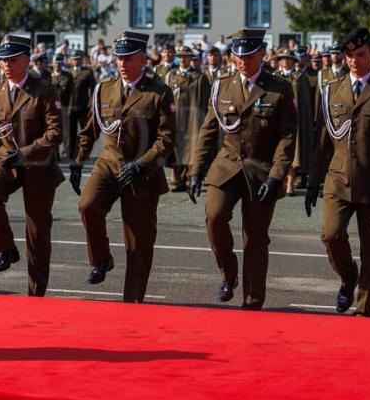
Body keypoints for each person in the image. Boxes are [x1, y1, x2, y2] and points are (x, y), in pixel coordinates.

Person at [189, 29, 297, 310]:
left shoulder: (279, 88)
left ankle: (253, 300)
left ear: (262, 54)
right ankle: (229, 274)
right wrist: (196, 170)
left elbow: (287, 137)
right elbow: (209, 131)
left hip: (261, 170)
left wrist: (277, 176)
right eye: (238, 56)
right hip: (227, 165)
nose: (242, 61)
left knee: (256, 237)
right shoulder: (221, 85)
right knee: (214, 217)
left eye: (248, 56)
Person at [305, 28, 370, 316]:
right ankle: (349, 277)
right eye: (349, 55)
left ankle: (363, 309)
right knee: (331, 234)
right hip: (338, 180)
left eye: (360, 55)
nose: (353, 61)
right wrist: (313, 183)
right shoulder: (331, 91)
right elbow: (321, 143)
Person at [70, 31, 176, 303]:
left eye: (128, 59)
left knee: (137, 242)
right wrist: (78, 161)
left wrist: (141, 166)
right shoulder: (104, 88)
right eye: (118, 58)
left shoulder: (159, 93)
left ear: (142, 59)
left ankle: (133, 302)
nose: (121, 64)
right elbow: (90, 128)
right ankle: (101, 259)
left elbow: (166, 139)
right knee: (87, 205)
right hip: (110, 161)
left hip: (143, 170)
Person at [0, 34, 63, 296]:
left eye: (12, 60)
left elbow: (55, 133)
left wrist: (26, 153)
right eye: (2, 60)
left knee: (37, 230)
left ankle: (36, 292)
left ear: (26, 60)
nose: (6, 65)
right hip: (6, 157)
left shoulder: (44, 90)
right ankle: (6, 248)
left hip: (38, 164)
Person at [165, 45, 210, 192]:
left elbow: (205, 99)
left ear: (191, 59)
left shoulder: (199, 77)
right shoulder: (171, 75)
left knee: (192, 148)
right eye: (181, 56)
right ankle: (179, 180)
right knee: (177, 148)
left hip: (193, 119)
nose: (183, 59)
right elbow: (167, 97)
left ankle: (192, 178)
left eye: (186, 56)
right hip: (176, 116)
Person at [274, 48, 315, 195]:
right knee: (278, 151)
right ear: (279, 61)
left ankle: (290, 183)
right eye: (283, 59)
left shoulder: (300, 77)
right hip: (278, 119)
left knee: (293, 152)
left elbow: (305, 103)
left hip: (295, 120)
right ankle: (280, 181)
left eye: (289, 59)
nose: (285, 61)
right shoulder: (274, 77)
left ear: (294, 61)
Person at [66, 50, 96, 161]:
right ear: (71, 60)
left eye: (78, 59)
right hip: (70, 106)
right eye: (74, 59)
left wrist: (91, 103)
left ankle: (84, 153)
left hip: (83, 106)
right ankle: (72, 153)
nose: (76, 61)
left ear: (81, 59)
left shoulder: (87, 72)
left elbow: (93, 89)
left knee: (84, 132)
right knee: (71, 132)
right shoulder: (67, 73)